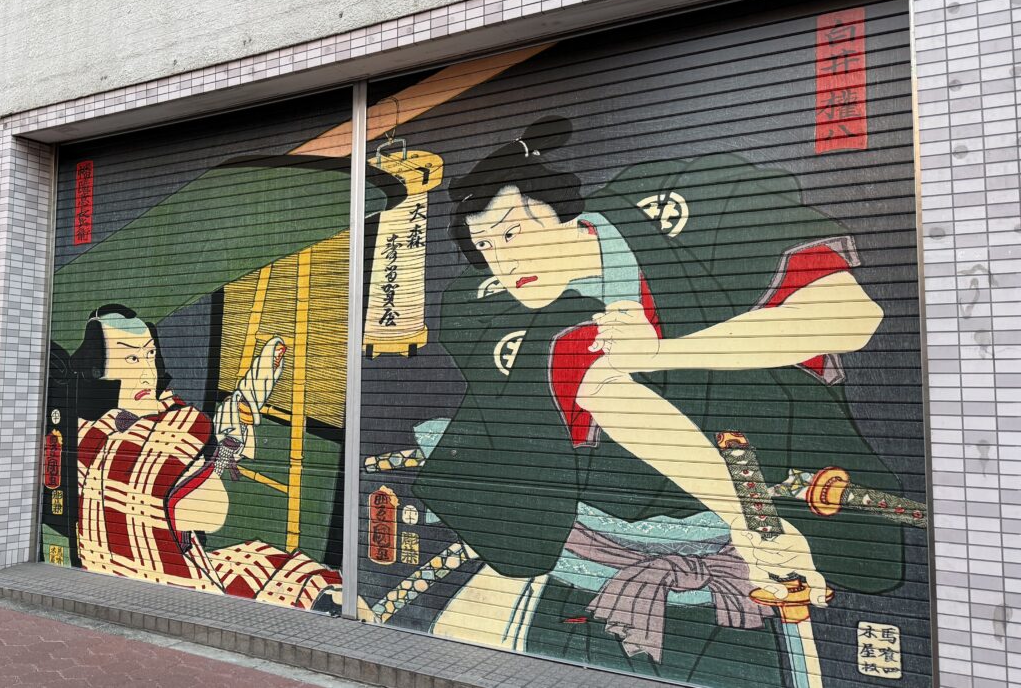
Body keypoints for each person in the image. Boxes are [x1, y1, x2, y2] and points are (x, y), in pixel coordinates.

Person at [411, 117, 906, 685]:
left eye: (512, 233)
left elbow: (848, 314)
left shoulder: (688, 194)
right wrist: (750, 522)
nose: (504, 262)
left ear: (562, 210)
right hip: (586, 561)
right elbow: (608, 393)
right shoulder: (479, 303)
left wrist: (667, 350)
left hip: (768, 549)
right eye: (484, 246)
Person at [64, 304, 343, 610]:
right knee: (302, 581)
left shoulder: (161, 417)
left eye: (150, 355)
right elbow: (211, 513)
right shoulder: (99, 437)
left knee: (287, 571)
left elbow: (199, 472)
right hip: (167, 582)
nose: (147, 374)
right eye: (131, 358)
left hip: (163, 566)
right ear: (96, 369)